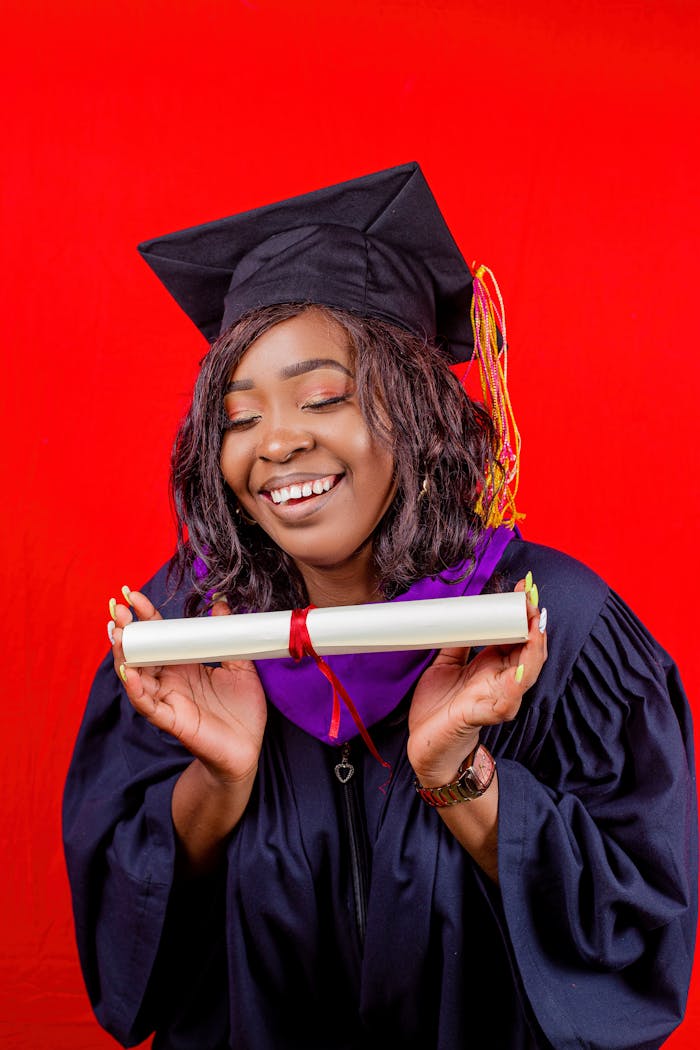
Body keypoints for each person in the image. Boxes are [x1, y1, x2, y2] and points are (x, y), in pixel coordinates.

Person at [63, 163, 697, 1050]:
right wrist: (219, 782)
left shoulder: (554, 629)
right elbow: (130, 960)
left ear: (421, 411)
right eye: (239, 418)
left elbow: (634, 945)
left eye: (323, 397)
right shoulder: (187, 637)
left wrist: (460, 778)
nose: (278, 441)